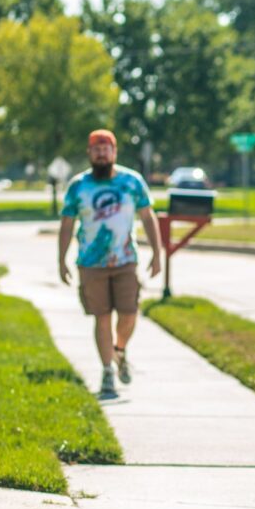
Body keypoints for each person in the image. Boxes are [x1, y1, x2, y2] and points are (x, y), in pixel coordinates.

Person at [58, 129, 162, 397]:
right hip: (91, 264)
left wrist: (157, 253)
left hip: (125, 260)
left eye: (106, 149)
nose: (102, 153)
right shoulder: (78, 186)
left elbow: (148, 217)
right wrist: (62, 260)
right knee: (102, 317)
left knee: (129, 313)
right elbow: (67, 224)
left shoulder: (132, 182)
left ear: (114, 152)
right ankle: (107, 372)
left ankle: (120, 350)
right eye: (96, 149)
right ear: (90, 154)